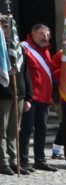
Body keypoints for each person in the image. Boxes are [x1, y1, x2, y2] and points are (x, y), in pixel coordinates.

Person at [18, 23, 55, 172]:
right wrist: (26, 96)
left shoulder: (46, 52)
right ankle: (23, 160)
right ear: (32, 34)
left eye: (47, 34)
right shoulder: (24, 48)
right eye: (41, 34)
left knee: (42, 129)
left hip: (44, 98)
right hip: (31, 97)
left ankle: (39, 160)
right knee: (26, 130)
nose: (45, 37)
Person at [0, 15, 31, 176]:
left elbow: (26, 75)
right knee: (1, 131)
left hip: (18, 94)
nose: (6, 30)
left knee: (14, 130)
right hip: (3, 95)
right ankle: (2, 161)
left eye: (8, 27)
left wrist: (28, 97)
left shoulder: (19, 48)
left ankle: (14, 161)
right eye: (3, 26)